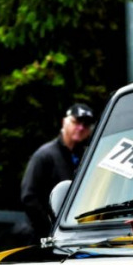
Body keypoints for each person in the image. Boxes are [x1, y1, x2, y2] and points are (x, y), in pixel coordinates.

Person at [20, 103, 95, 242]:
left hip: (74, 237)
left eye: (86, 124)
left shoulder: (87, 158)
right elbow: (29, 197)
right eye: (76, 121)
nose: (81, 127)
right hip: (41, 238)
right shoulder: (44, 155)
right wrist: (51, 230)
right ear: (64, 122)